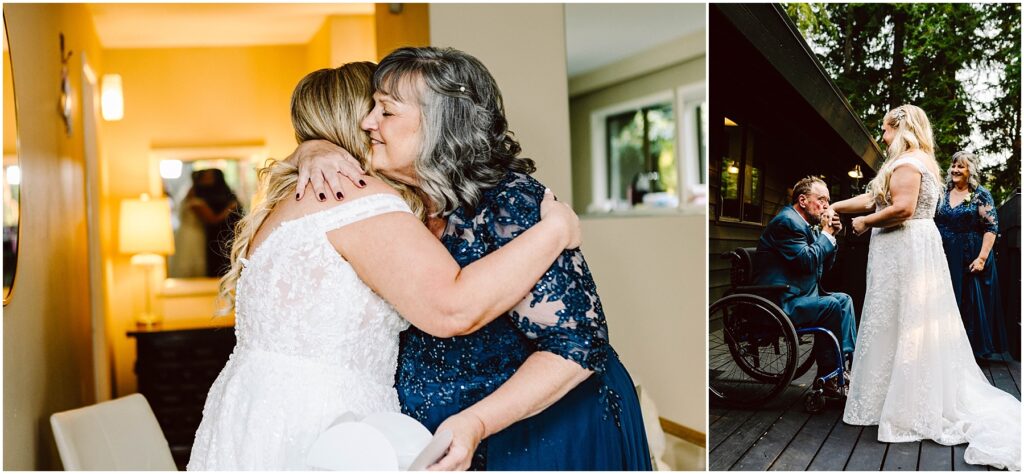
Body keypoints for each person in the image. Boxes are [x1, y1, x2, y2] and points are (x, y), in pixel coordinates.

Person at [187, 62, 583, 470]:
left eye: (387, 111)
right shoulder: (352, 195)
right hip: (327, 425)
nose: (378, 122)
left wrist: (309, 148)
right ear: (358, 121)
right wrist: (554, 231)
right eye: (376, 109)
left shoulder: (297, 196)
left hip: (257, 414)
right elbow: (451, 308)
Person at [293, 47, 652, 470]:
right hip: (441, 438)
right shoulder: (393, 203)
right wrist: (312, 148)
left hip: (543, 432)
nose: (367, 123)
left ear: (441, 123)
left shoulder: (511, 204)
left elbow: (577, 346)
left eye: (386, 112)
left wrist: (477, 422)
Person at [834, 104, 1020, 470]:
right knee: (902, 322)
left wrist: (864, 223)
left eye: (885, 130)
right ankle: (892, 397)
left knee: (905, 322)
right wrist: (834, 207)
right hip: (913, 249)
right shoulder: (919, 162)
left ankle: (907, 406)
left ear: (900, 129)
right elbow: (875, 197)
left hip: (905, 248)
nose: (882, 136)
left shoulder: (907, 163)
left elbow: (901, 208)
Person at [752, 176, 856, 395]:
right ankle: (829, 374)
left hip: (799, 294)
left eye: (828, 200)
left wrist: (831, 237)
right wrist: (826, 235)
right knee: (830, 305)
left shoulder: (806, 226)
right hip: (779, 301)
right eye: (821, 200)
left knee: (844, 300)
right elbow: (806, 261)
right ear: (802, 200)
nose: (827, 206)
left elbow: (818, 269)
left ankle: (844, 364)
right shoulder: (788, 222)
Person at [934, 151, 1008, 360]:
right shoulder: (943, 193)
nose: (955, 170)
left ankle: (969, 355)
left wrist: (982, 258)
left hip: (970, 255)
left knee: (968, 302)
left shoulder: (980, 195)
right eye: (953, 166)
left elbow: (991, 228)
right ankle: (945, 349)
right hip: (945, 255)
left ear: (970, 171)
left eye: (961, 167)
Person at [189, 169, 242, 277]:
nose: (207, 180)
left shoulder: (226, 193)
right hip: (210, 235)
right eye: (205, 177)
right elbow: (212, 219)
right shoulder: (198, 196)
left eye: (210, 177)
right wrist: (229, 209)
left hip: (229, 234)